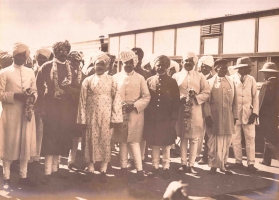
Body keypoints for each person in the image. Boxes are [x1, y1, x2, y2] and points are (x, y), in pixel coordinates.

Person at [77, 50, 123, 183]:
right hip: (91, 116)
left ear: (107, 66)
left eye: (102, 65)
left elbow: (117, 100)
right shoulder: (87, 80)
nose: (100, 67)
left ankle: (103, 169)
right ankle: (90, 168)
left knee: (105, 140)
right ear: (94, 65)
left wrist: (115, 118)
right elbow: (82, 100)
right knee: (90, 139)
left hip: (106, 116)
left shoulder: (112, 80)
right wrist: (82, 119)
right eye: (97, 64)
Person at [0, 43, 37, 189]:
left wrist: (32, 97)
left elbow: (35, 90)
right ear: (13, 55)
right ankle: (6, 177)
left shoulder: (30, 72)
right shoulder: (4, 72)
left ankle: (23, 176)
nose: (21, 57)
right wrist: (15, 96)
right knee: (9, 143)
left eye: (24, 55)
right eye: (18, 55)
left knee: (25, 143)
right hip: (11, 114)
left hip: (26, 113)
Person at [36, 40, 73, 184]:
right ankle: (47, 172)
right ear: (55, 52)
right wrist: (42, 109)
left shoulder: (71, 67)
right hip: (51, 108)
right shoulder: (46, 66)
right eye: (60, 51)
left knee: (61, 139)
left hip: (65, 110)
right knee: (50, 139)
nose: (63, 54)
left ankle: (56, 170)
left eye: (66, 51)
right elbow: (39, 89)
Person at [113, 49, 150, 181]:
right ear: (122, 63)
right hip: (120, 113)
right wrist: (120, 106)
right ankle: (123, 168)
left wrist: (134, 106)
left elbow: (146, 96)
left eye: (130, 63)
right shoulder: (116, 77)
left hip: (135, 114)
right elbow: (113, 95)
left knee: (134, 142)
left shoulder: (140, 78)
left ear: (134, 64)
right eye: (125, 63)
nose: (128, 65)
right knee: (122, 142)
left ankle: (139, 169)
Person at [172, 52, 210, 174]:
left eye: (190, 61)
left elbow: (207, 92)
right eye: (186, 61)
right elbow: (172, 92)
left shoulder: (200, 76)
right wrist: (179, 98)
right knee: (183, 137)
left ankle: (191, 164)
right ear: (182, 63)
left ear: (194, 63)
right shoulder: (176, 76)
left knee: (194, 139)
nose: (188, 63)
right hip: (181, 109)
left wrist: (196, 97)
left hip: (196, 109)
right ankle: (183, 163)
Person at [144, 55, 180, 179]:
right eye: (158, 65)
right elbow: (146, 99)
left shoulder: (172, 81)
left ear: (167, 67)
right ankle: (155, 167)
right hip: (153, 120)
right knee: (154, 144)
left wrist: (173, 119)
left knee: (166, 145)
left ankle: (166, 167)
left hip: (166, 119)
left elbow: (176, 101)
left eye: (163, 65)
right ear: (155, 66)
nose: (160, 68)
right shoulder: (149, 80)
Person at [204, 59, 238, 175]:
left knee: (226, 141)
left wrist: (235, 116)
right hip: (214, 117)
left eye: (225, 68)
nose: (224, 70)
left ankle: (223, 165)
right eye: (221, 68)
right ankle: (213, 165)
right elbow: (206, 102)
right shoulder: (209, 82)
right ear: (216, 68)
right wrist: (207, 116)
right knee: (213, 142)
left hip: (228, 116)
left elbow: (235, 101)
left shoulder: (231, 82)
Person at [230, 57, 258, 172]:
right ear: (241, 68)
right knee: (235, 138)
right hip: (235, 114)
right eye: (248, 67)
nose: (250, 69)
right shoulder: (231, 79)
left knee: (250, 138)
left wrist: (255, 113)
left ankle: (251, 163)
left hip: (248, 113)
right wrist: (231, 114)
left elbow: (255, 97)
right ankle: (238, 161)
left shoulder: (251, 80)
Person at [29, 48, 53, 166]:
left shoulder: (49, 71)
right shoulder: (31, 70)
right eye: (40, 57)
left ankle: (36, 156)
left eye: (45, 58)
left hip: (43, 104)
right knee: (30, 130)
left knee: (40, 130)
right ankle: (28, 155)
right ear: (36, 58)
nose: (42, 60)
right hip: (31, 104)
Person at [66, 51, 86, 171]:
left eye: (77, 61)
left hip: (77, 109)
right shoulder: (64, 73)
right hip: (65, 109)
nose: (75, 63)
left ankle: (71, 160)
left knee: (75, 137)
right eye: (72, 60)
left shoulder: (83, 76)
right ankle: (57, 163)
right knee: (63, 135)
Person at [258, 62, 279, 166]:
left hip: (266, 117)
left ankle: (268, 159)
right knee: (271, 137)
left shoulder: (266, 85)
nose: (263, 75)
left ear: (267, 73)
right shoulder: (277, 84)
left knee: (268, 139)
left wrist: (256, 115)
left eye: (264, 73)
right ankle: (266, 160)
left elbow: (260, 103)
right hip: (275, 117)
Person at [196, 55, 214, 165]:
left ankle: (206, 155)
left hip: (209, 109)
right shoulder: (196, 76)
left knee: (208, 135)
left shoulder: (212, 79)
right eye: (203, 66)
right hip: (197, 106)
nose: (204, 68)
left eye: (207, 66)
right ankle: (196, 154)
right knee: (197, 133)